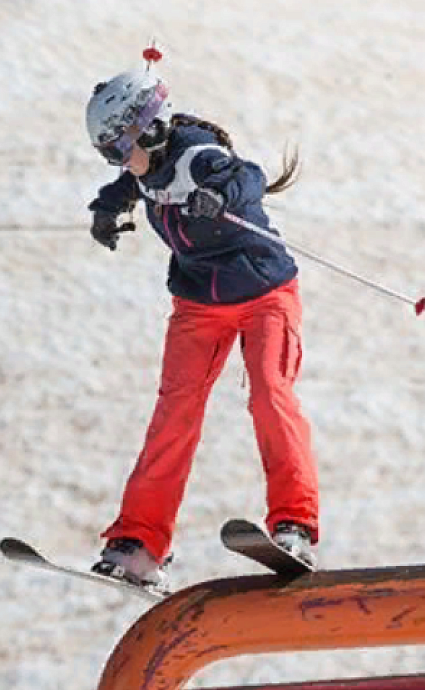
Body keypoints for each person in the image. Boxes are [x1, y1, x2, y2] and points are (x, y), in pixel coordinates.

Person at [83, 65, 320, 587]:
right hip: (198, 303)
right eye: (109, 153)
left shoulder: (197, 155)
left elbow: (248, 176)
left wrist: (222, 197)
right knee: (175, 412)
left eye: (119, 147)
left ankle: (294, 526)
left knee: (269, 396)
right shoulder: (146, 168)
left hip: (265, 294)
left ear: (148, 128)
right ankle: (140, 543)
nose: (119, 160)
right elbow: (133, 184)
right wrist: (107, 208)